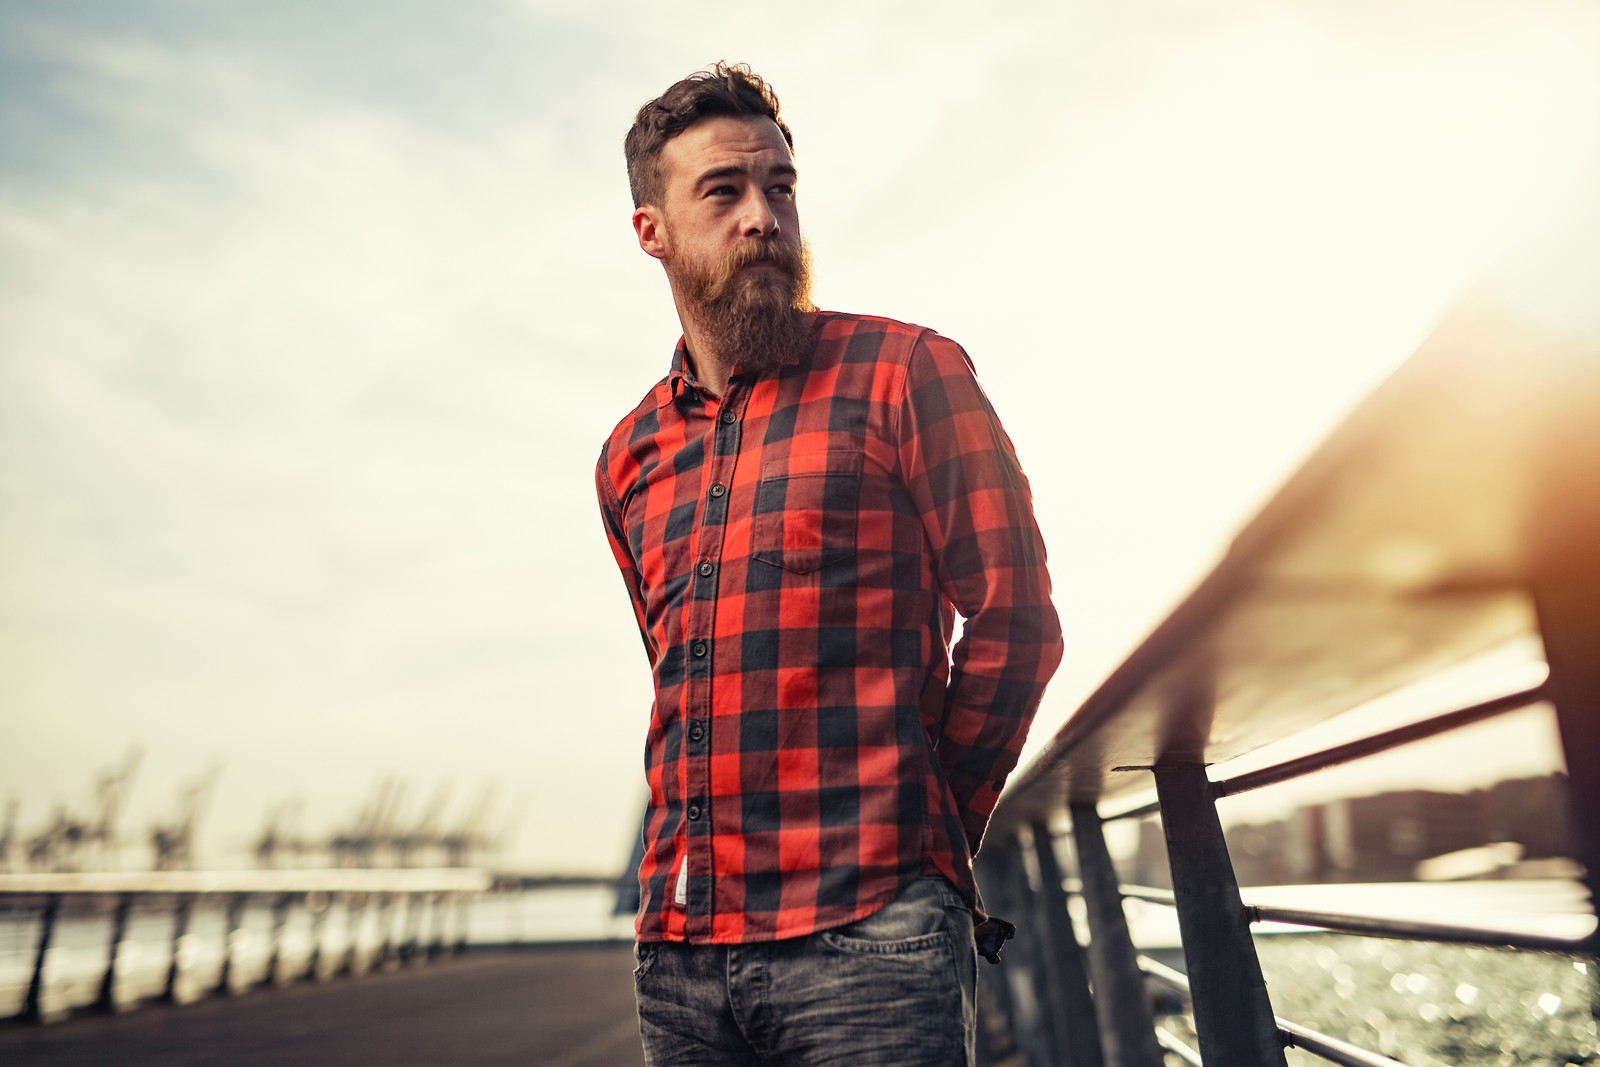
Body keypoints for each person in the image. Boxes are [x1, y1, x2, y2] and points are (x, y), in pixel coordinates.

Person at [595, 62, 1064, 1067]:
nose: (762, 217)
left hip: (871, 940)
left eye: (780, 188)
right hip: (680, 958)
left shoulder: (907, 373)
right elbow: (684, 679)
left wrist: (926, 836)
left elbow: (1016, 623)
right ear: (654, 230)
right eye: (722, 192)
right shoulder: (628, 455)